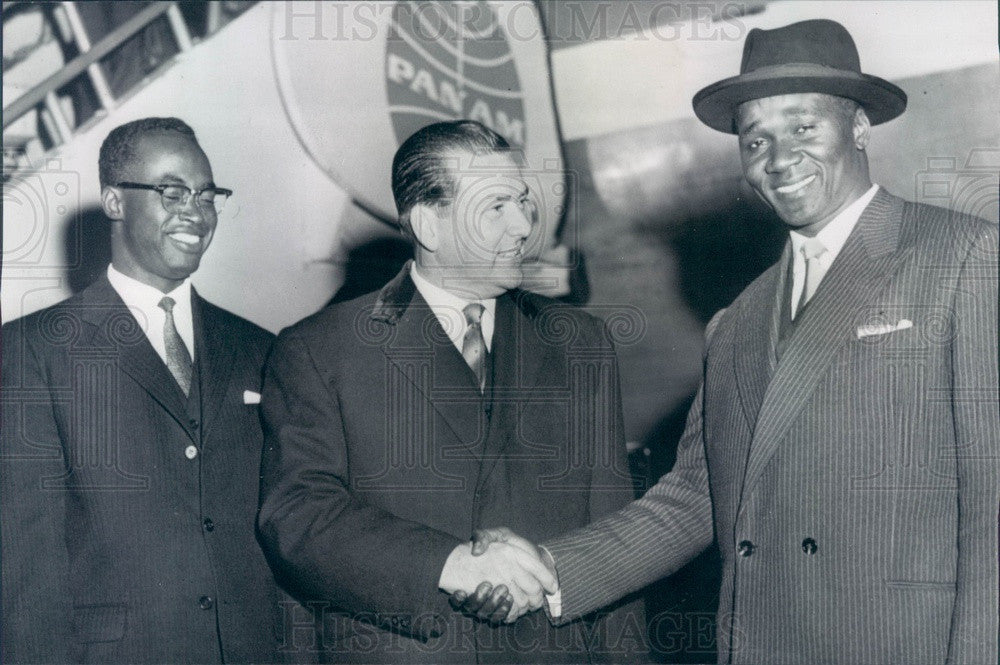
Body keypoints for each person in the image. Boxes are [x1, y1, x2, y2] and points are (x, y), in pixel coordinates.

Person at [460, 19, 999, 665]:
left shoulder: (963, 255)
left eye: (803, 127)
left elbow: (992, 501)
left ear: (858, 126)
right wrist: (548, 569)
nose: (778, 158)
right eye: (756, 139)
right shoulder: (737, 320)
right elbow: (695, 498)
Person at [257, 120, 645, 663]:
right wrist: (449, 563)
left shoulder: (581, 343)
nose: (522, 227)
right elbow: (298, 517)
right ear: (428, 225)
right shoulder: (320, 350)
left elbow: (614, 532)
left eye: (524, 203)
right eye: (495, 207)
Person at [1, 117, 284, 663]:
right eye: (171, 190)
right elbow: (24, 578)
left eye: (207, 194)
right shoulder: (30, 351)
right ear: (113, 201)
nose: (195, 210)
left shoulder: (261, 349)